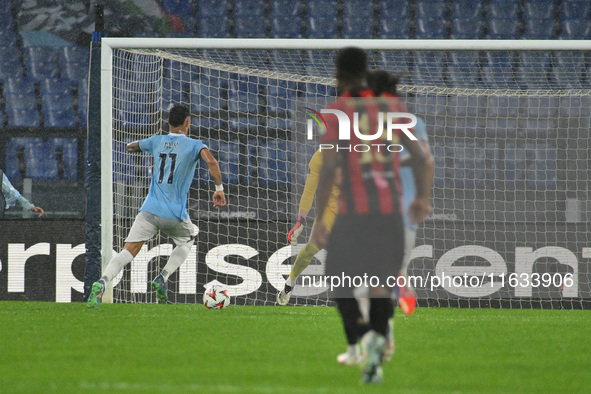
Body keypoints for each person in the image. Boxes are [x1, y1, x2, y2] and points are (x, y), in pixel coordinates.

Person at [314, 48, 433, 384]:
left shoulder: (339, 111)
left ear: (338, 75)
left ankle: (366, 338)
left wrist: (322, 219)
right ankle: (374, 366)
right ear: (365, 72)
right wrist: (422, 199)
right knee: (381, 286)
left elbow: (329, 169)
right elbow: (422, 159)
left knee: (338, 279)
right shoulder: (393, 107)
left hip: (355, 212)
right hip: (391, 213)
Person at [87, 104, 226, 308]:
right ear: (187, 123)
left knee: (127, 252)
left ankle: (102, 282)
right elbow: (212, 162)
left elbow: (131, 146)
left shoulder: (156, 141)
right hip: (174, 213)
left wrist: (137, 146)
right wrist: (219, 189)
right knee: (189, 238)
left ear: (168, 122)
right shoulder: (196, 145)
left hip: (149, 210)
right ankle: (163, 276)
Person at [276, 148, 340, 305]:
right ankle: (290, 284)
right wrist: (300, 221)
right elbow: (309, 191)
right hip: (331, 210)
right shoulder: (319, 156)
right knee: (311, 248)